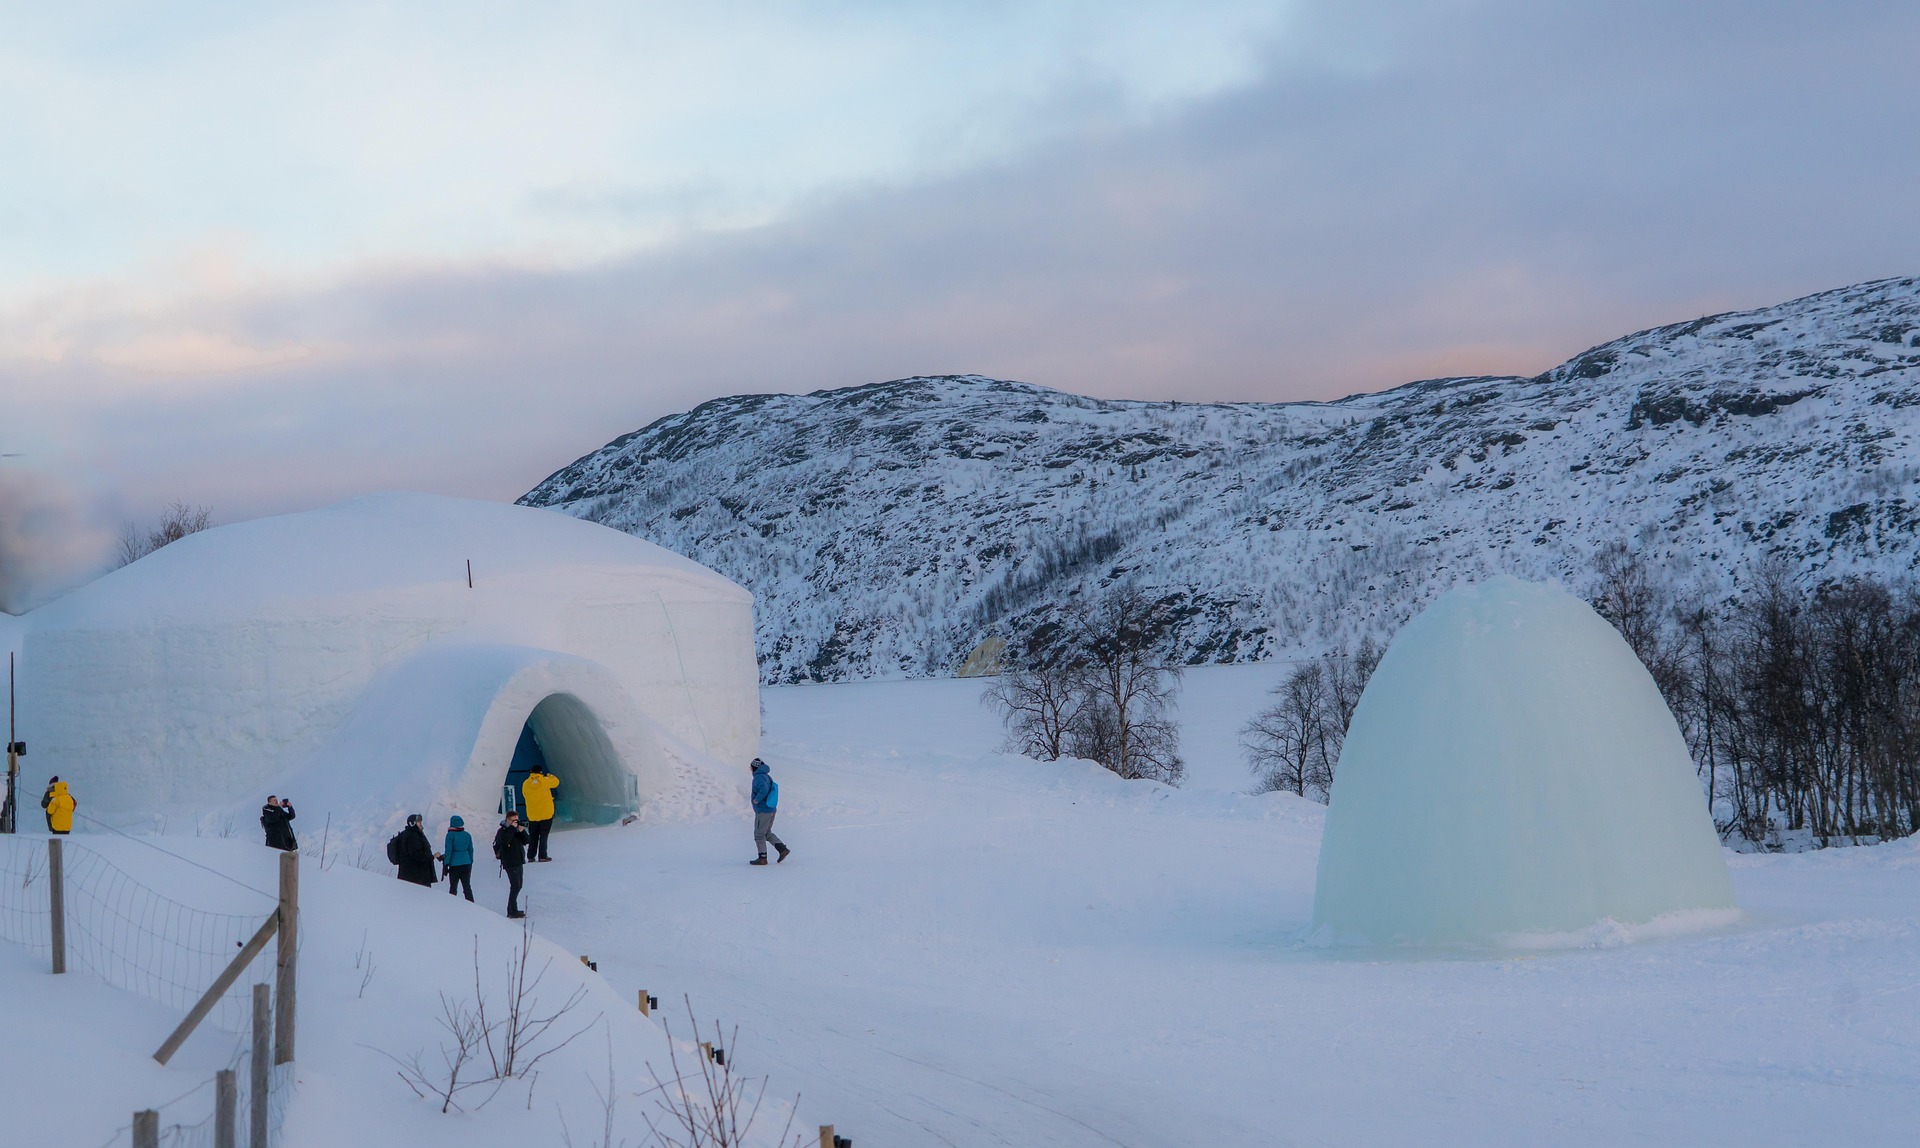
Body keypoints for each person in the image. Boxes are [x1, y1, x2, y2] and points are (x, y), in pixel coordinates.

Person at [748, 757, 789, 866]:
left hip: (763, 810)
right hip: (771, 809)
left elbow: (764, 789)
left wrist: (756, 800)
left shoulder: (759, 778)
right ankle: (782, 849)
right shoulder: (766, 776)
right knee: (766, 833)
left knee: (759, 835)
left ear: (755, 767)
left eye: (751, 767)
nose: (750, 770)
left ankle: (762, 858)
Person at [493, 810, 531, 918]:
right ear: (507, 820)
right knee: (515, 885)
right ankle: (512, 910)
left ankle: (512, 909)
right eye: (513, 820)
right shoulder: (503, 831)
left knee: (519, 885)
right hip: (509, 861)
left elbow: (527, 841)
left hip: (518, 860)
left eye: (517, 820)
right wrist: (512, 829)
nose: (515, 822)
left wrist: (521, 831)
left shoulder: (516, 830)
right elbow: (504, 842)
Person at [521, 764, 560, 863]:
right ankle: (542, 855)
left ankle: (530, 856)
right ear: (540, 772)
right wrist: (550, 776)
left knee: (533, 836)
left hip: (533, 814)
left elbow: (524, 794)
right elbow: (556, 782)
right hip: (546, 813)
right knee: (543, 835)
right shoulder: (545, 781)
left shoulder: (526, 783)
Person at [391, 813, 436, 887]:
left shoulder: (405, 834)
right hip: (416, 876)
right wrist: (431, 857)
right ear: (413, 823)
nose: (421, 823)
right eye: (418, 821)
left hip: (407, 873)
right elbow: (416, 854)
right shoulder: (413, 836)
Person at [439, 814, 476, 902]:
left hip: (455, 864)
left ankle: (452, 904)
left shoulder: (450, 835)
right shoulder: (467, 835)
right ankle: (471, 904)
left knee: (453, 887)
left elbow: (449, 850)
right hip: (466, 863)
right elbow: (471, 849)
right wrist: (470, 861)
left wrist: (446, 862)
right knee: (467, 886)